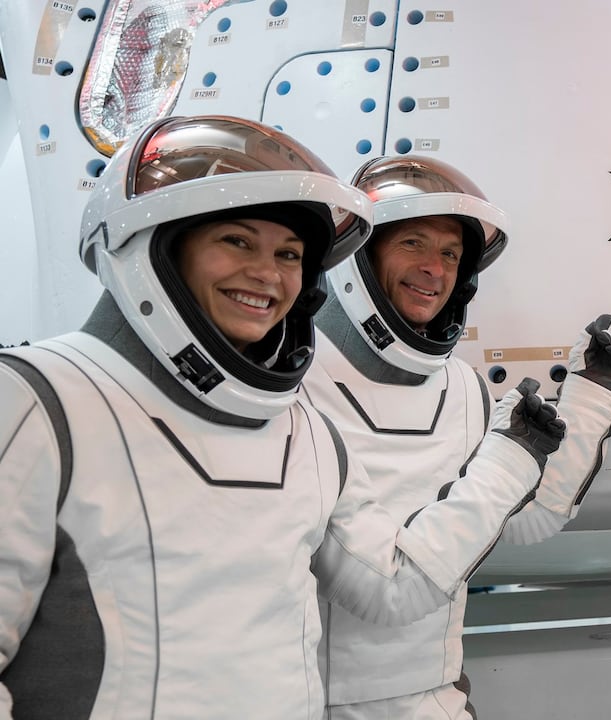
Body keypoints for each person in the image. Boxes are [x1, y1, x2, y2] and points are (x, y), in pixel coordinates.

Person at [0, 115, 567, 718]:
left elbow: (394, 588)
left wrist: (514, 454)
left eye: (290, 254)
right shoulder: (37, 401)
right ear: (151, 243)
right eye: (237, 241)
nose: (268, 274)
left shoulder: (303, 433)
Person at [303, 155, 611, 719]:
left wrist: (590, 400)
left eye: (450, 255)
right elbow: (385, 590)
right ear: (360, 255)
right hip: (315, 702)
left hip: (434, 696)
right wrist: (510, 460)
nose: (434, 269)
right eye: (413, 243)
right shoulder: (293, 385)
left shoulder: (461, 385)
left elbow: (525, 520)